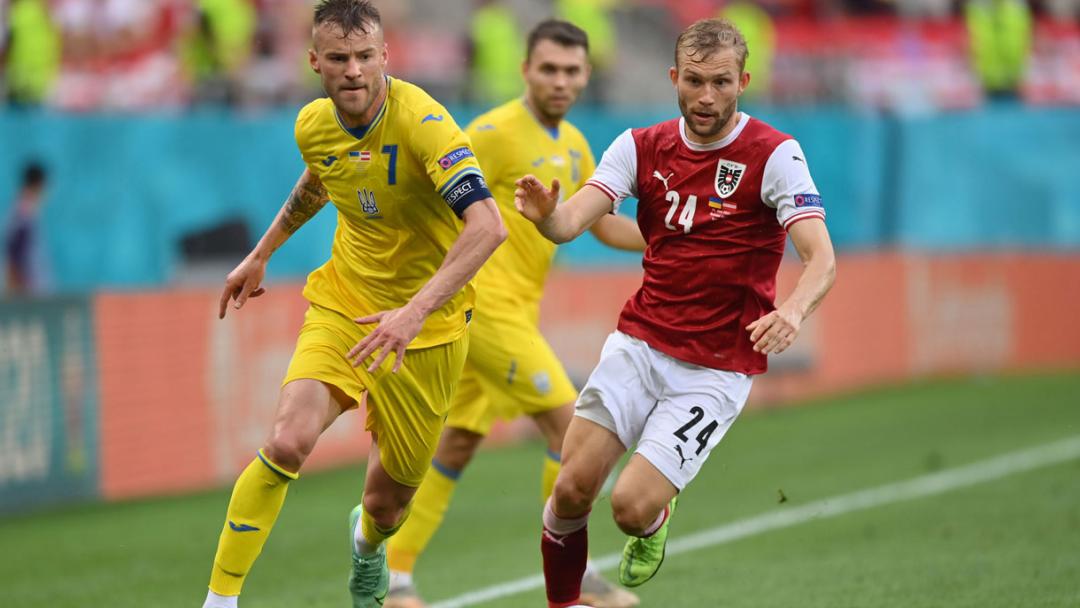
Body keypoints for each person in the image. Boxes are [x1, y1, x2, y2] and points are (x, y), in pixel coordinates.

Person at [515, 18, 837, 607]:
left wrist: (791, 311)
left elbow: (821, 257)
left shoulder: (775, 154)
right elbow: (568, 224)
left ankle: (656, 519)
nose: (706, 97)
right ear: (674, 78)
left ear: (743, 80)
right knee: (570, 490)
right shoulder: (640, 146)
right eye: (694, 81)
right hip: (639, 344)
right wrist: (544, 216)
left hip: (715, 369)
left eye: (720, 82)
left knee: (629, 509)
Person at [201, 2, 507, 607]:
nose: (353, 71)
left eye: (365, 56)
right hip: (346, 302)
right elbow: (322, 176)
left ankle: (367, 546)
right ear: (314, 61)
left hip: (429, 329)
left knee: (386, 505)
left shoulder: (425, 122)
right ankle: (219, 600)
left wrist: (413, 312)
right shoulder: (312, 124)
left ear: (386, 57)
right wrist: (262, 252)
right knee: (287, 440)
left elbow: (488, 226)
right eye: (338, 58)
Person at [383, 19, 643, 608]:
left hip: (514, 316)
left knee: (455, 446)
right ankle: (574, 582)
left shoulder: (575, 144)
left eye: (572, 71)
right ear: (525, 69)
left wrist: (668, 239)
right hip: (481, 309)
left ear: (586, 75)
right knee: (572, 425)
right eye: (548, 68)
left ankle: (392, 577)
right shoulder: (493, 131)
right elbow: (434, 190)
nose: (560, 80)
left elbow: (597, 224)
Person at [4, 161, 48, 295]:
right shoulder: (24, 211)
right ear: (39, 185)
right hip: (25, 291)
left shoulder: (24, 210)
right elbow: (15, 251)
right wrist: (16, 290)